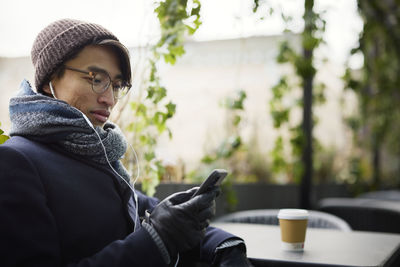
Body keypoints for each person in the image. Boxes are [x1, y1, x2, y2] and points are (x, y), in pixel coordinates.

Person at [0, 19, 253, 267]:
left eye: (117, 85)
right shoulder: (16, 162)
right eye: (96, 79)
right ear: (49, 80)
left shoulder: (96, 152)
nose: (109, 99)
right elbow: (159, 233)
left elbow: (147, 208)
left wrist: (224, 245)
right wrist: (158, 240)